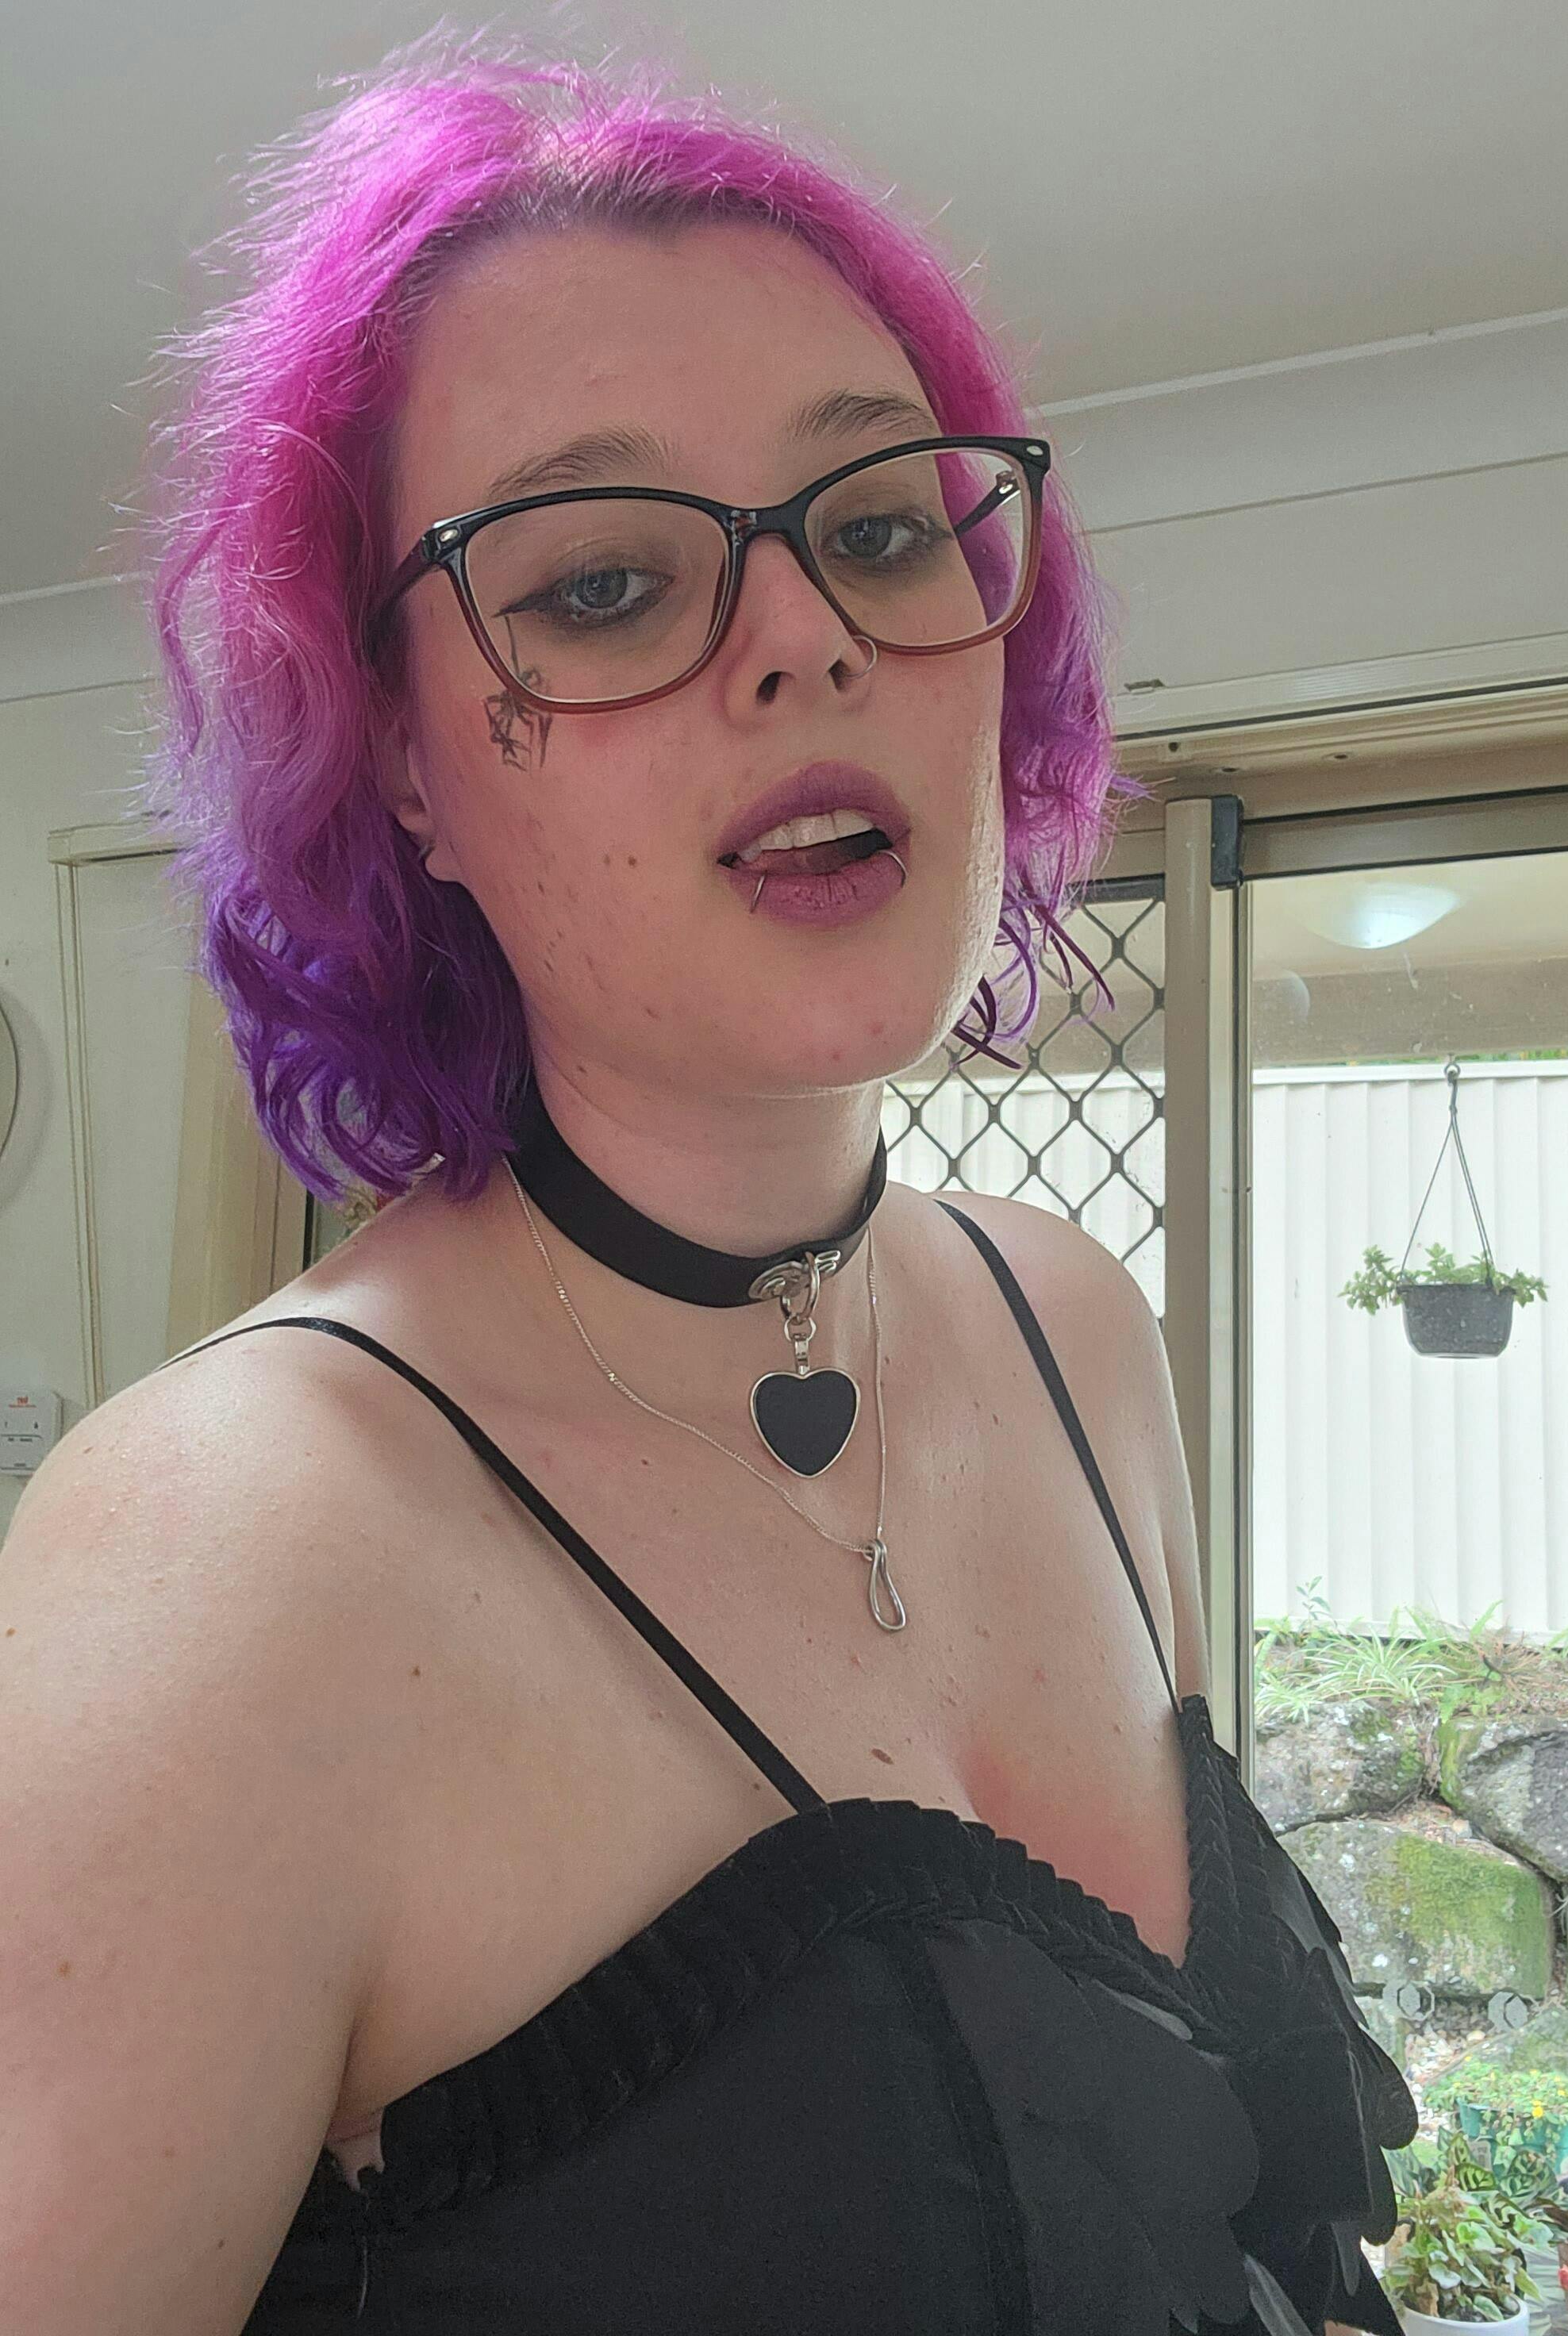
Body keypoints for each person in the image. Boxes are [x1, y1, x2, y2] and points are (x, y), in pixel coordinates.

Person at [1, 34, 1415, 2334]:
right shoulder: (232, 1553)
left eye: (881, 526)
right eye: (599, 583)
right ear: (403, 766)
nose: (810, 638)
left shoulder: (1078, 1329)